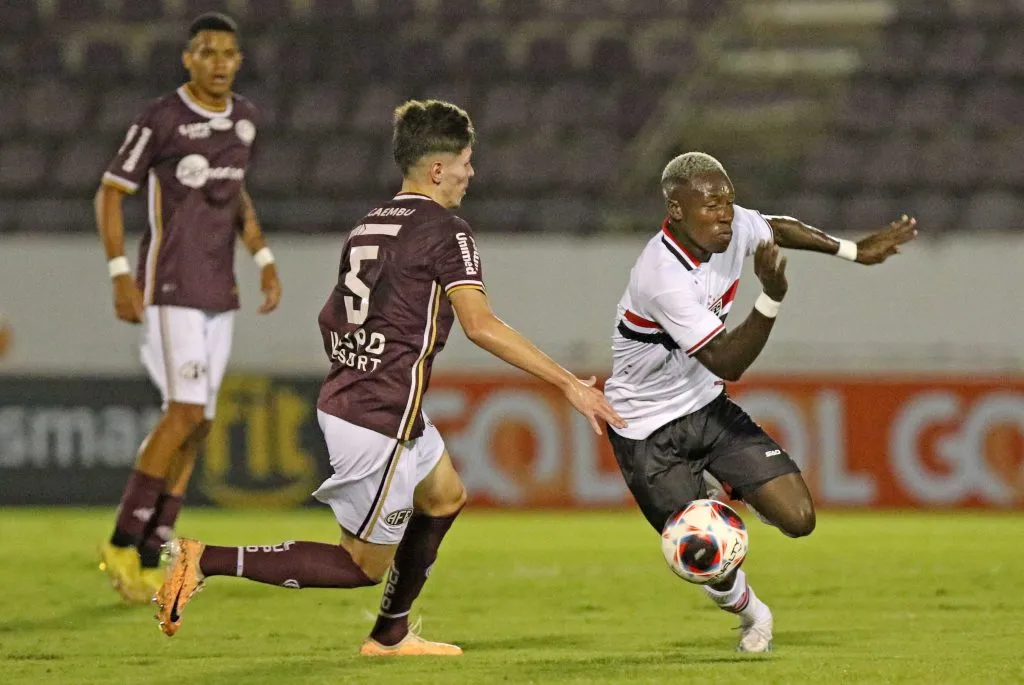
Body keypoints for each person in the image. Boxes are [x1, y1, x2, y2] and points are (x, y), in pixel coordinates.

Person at [155, 99, 626, 654]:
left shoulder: (370, 223)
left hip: (375, 398)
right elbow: (480, 325)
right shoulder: (446, 230)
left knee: (445, 496)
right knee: (360, 565)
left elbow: (331, 316)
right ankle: (204, 559)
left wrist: (363, 361)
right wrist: (569, 383)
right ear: (437, 169)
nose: (470, 174)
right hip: (378, 413)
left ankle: (391, 635)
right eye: (465, 162)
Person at [604, 151, 916, 652]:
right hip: (645, 429)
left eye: (728, 200)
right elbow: (728, 361)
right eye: (710, 205)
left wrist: (853, 251)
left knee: (799, 519)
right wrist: (770, 297)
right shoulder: (661, 276)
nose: (725, 213)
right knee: (701, 556)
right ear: (676, 209)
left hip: (705, 408)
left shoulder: (730, 228)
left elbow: (775, 226)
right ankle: (754, 614)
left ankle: (730, 486)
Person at [95, 12, 281, 603]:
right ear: (188, 58)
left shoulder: (246, 120)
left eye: (229, 53)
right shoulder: (161, 118)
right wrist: (121, 275)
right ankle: (122, 543)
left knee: (199, 423)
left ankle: (155, 548)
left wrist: (263, 256)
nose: (219, 62)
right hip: (170, 286)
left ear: (239, 61)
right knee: (182, 412)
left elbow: (237, 195)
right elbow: (110, 192)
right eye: (207, 52)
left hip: (219, 292)